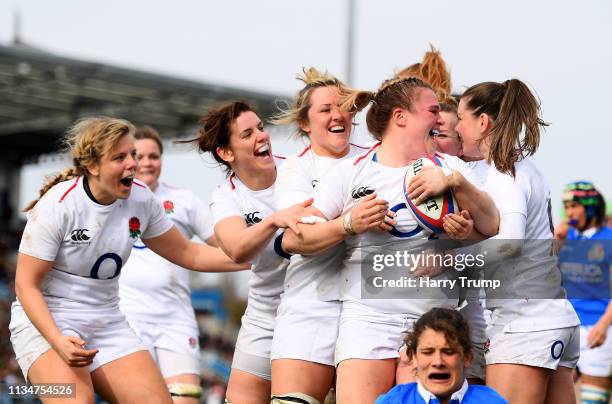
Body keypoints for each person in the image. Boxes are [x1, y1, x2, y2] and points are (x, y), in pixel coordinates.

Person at [282, 77, 499, 403]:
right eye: (432, 110)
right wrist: (348, 224)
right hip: (368, 320)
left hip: (433, 323)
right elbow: (293, 239)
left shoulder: (451, 168)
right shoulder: (350, 172)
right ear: (401, 117)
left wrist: (461, 220)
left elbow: (493, 226)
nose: (440, 119)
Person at [8, 117, 247, 403]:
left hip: (107, 323)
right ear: (93, 166)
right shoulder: (58, 205)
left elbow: (189, 253)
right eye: (119, 157)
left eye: (132, 154)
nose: (132, 164)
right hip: (46, 323)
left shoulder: (141, 199)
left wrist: (255, 258)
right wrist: (57, 339)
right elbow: (26, 286)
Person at [454, 79, 581, 403]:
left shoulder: (503, 173)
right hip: (553, 317)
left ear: (482, 123)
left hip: (525, 323)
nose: (456, 127)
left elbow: (511, 242)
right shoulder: (526, 169)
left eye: (460, 118)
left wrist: (445, 260)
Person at [187, 101, 311, 403]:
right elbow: (237, 249)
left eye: (260, 127)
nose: (261, 136)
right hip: (264, 314)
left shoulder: (298, 170)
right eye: (247, 134)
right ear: (226, 153)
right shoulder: (226, 197)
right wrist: (273, 221)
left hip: (313, 309)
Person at [269, 67, 370, 403]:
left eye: (343, 106)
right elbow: (298, 240)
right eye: (325, 109)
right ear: (304, 123)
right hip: (311, 307)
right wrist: (350, 223)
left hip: (369, 312)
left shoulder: (374, 159)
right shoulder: (296, 169)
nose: (337, 115)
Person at [119, 126, 227, 403]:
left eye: (153, 156)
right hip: (128, 317)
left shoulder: (184, 200)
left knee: (186, 397)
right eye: (138, 156)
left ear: (162, 160)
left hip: (175, 318)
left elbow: (225, 242)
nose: (146, 163)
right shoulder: (116, 200)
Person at [375, 307, 507, 403]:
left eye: (448, 352)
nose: (438, 362)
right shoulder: (393, 401)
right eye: (428, 352)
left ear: (467, 357)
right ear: (414, 358)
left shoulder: (491, 401)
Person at [557, 181, 612, 404]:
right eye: (566, 206)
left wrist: (603, 326)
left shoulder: (608, 239)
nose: (569, 212)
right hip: (566, 326)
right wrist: (554, 241)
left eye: (574, 206)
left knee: (593, 400)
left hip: (597, 328)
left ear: (589, 208)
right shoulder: (564, 236)